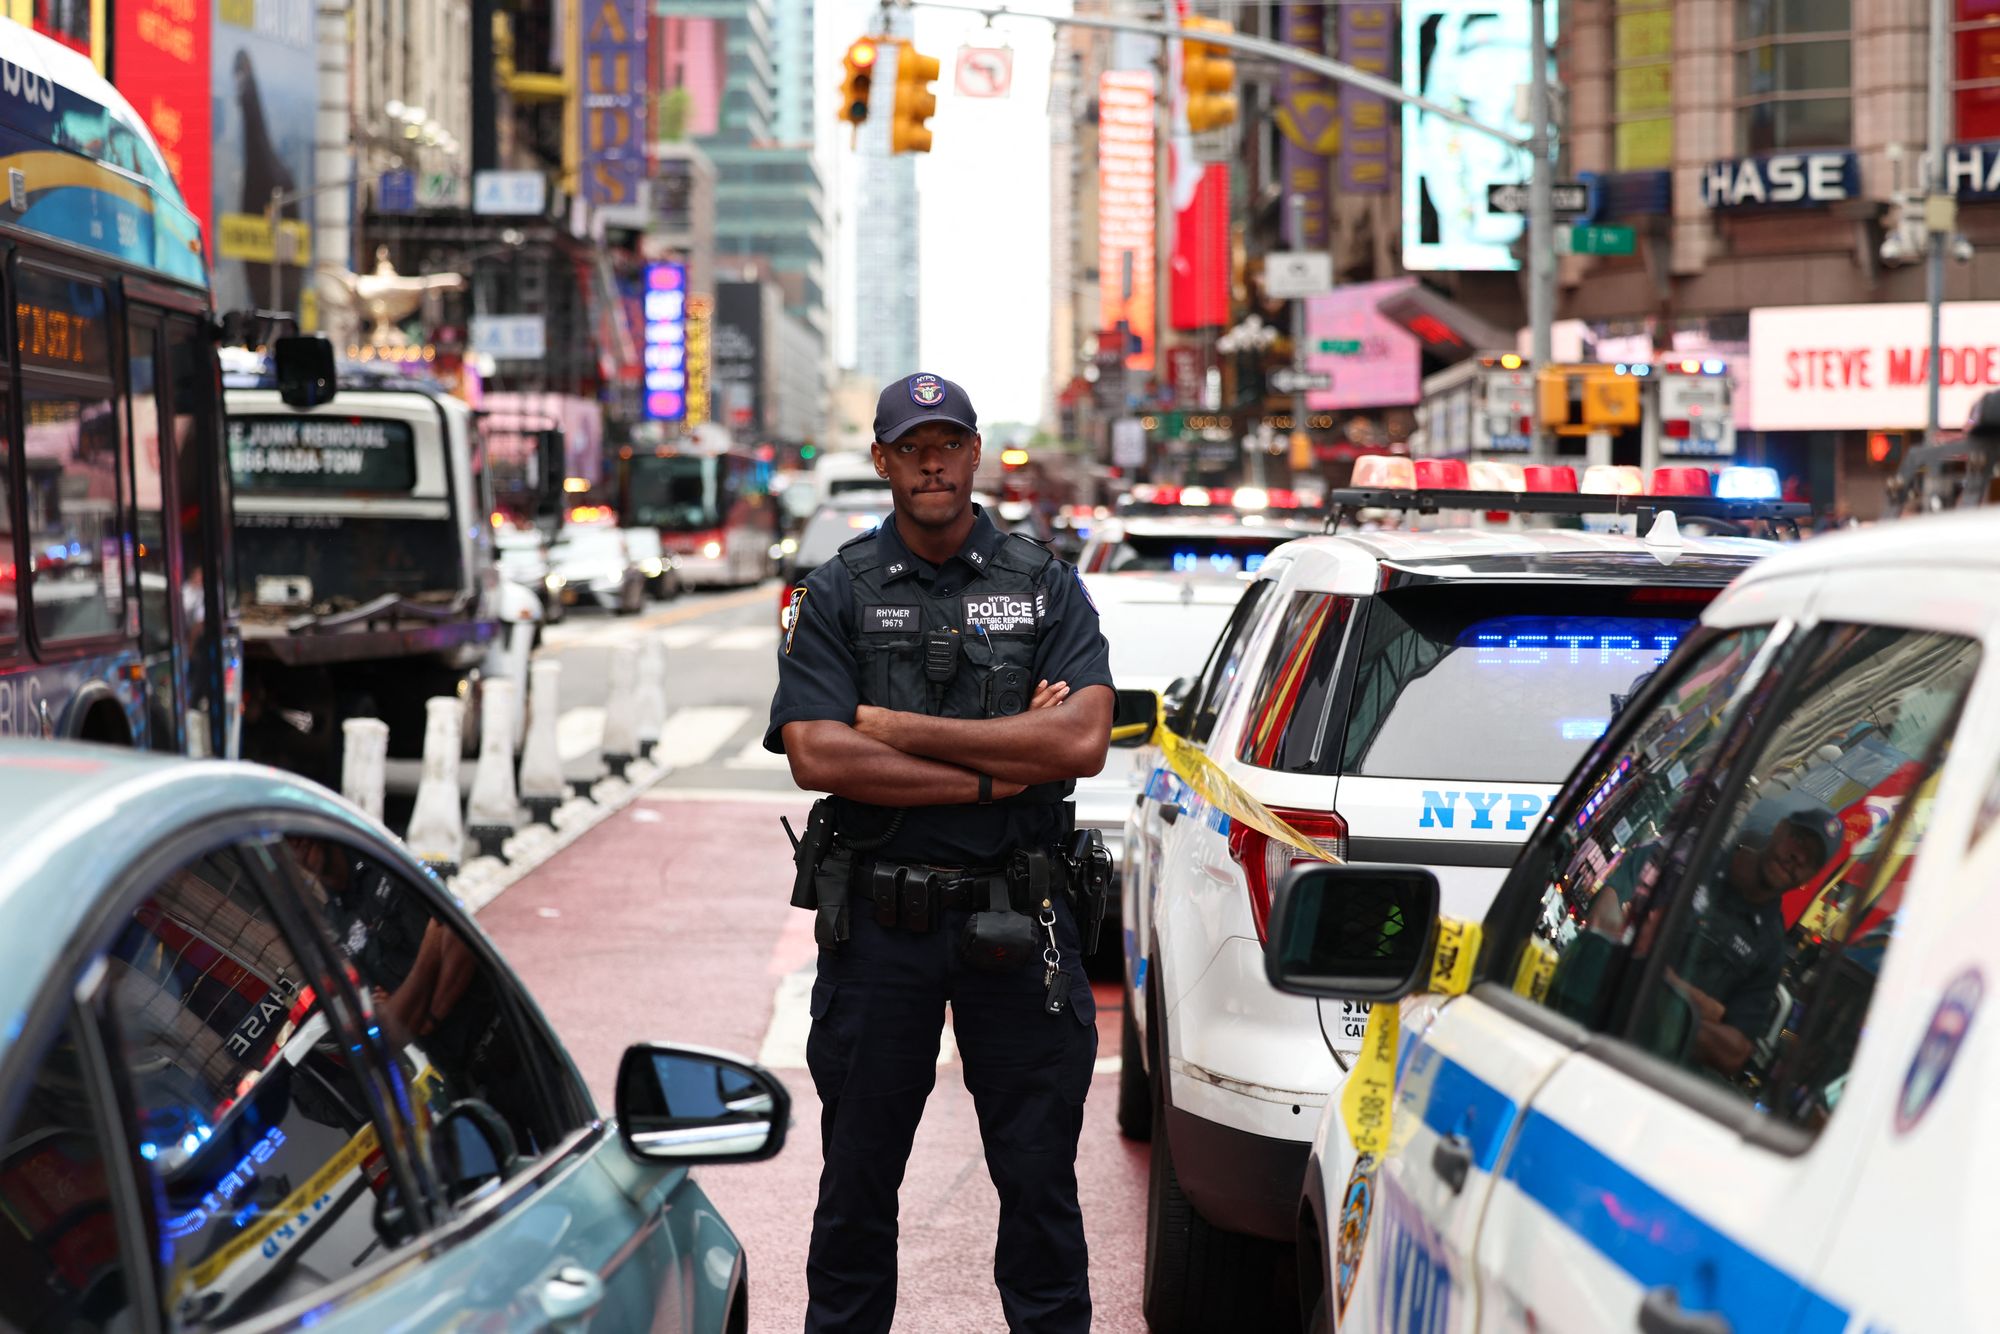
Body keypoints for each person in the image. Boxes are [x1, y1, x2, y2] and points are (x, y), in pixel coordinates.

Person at [766, 371, 1114, 1333]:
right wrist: (1003, 770)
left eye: (949, 444)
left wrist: (892, 728)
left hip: (1023, 919)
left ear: (975, 454)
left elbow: (1082, 740)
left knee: (1040, 1187)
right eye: (912, 447)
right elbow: (817, 753)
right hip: (880, 931)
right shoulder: (835, 590)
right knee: (856, 1185)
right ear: (882, 460)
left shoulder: (1042, 582)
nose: (932, 463)